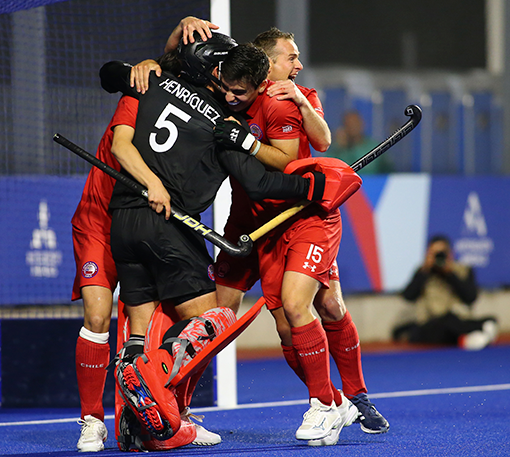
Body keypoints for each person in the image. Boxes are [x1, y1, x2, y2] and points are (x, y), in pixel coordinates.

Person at [99, 36, 331, 448]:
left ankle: (136, 427)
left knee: (139, 328)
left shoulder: (151, 80)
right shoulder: (223, 123)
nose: (229, 91)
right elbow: (260, 184)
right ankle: (159, 396)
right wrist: (312, 187)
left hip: (123, 222)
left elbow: (108, 74)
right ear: (214, 72)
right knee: (215, 318)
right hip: (167, 224)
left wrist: (143, 62)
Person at [212, 27, 390, 444]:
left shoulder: (297, 96)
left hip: (304, 216)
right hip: (261, 225)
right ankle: (332, 400)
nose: (299, 64)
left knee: (321, 304)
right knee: (287, 324)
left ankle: (351, 397)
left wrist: (300, 105)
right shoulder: (235, 92)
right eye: (290, 57)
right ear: (266, 62)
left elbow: (321, 142)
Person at [70, 47, 213, 452]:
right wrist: (143, 65)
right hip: (98, 222)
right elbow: (109, 71)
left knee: (157, 329)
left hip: (140, 227)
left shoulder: (179, 120)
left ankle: (165, 418)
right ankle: (92, 421)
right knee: (97, 316)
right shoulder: (140, 94)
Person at [397, 234, 498, 350]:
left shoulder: (462, 270)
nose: (438, 257)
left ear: (450, 253)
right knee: (426, 329)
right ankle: (471, 337)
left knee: (489, 320)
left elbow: (471, 297)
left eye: (442, 253)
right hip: (431, 323)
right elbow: (408, 296)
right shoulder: (422, 271)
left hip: (458, 319)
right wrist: (425, 271)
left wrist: (450, 274)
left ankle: (470, 336)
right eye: (434, 254)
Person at [325, 110, 392, 174]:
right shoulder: (338, 151)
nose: (353, 127)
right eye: (349, 124)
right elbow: (328, 167)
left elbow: (389, 171)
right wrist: (338, 148)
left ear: (362, 124)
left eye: (355, 123)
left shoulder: (374, 147)